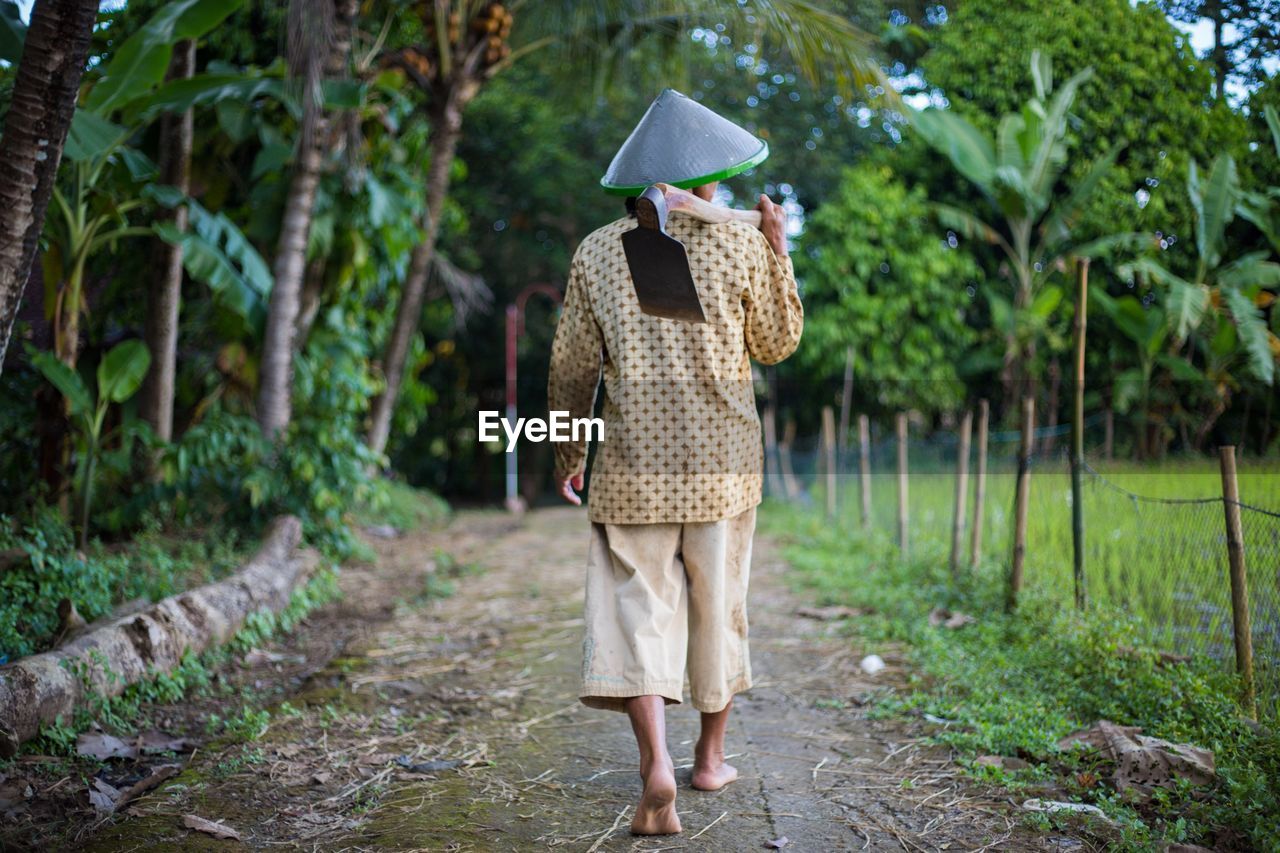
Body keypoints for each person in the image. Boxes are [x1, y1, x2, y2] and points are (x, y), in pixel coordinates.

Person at [547, 88, 803, 836]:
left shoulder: (598, 250)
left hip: (631, 465)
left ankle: (655, 765)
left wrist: (568, 449)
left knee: (637, 615)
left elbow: (571, 366)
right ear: (712, 175)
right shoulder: (742, 241)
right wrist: (778, 247)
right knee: (716, 609)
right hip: (723, 463)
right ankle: (708, 760)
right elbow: (779, 342)